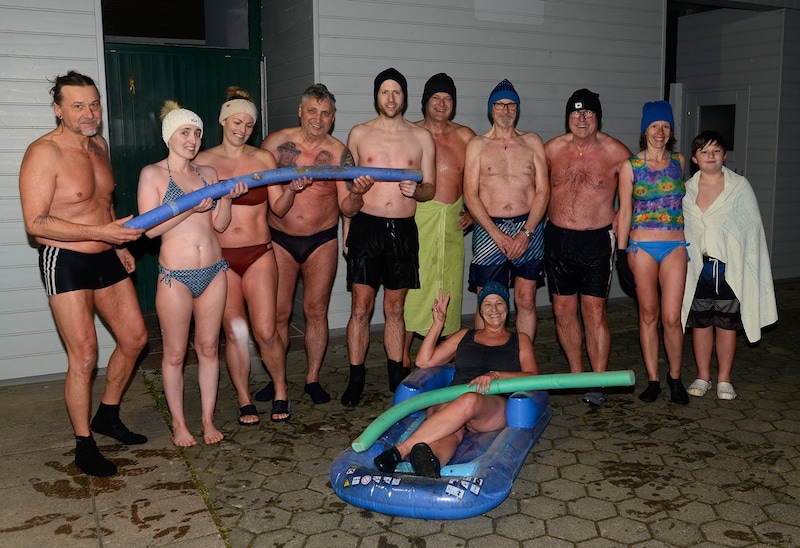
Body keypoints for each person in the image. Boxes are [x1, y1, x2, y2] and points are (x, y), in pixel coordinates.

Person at [19, 71, 148, 477]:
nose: (89, 113)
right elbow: (36, 223)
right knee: (85, 355)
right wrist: (101, 234)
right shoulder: (43, 153)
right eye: (78, 105)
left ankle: (107, 415)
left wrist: (119, 244)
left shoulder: (100, 145)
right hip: (66, 260)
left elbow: (103, 203)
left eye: (94, 104)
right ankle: (83, 444)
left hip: (106, 252)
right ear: (58, 110)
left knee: (135, 339)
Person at [137, 101, 246, 446]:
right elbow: (150, 230)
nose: (193, 139)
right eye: (185, 132)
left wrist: (226, 199)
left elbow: (220, 224)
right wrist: (189, 209)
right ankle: (180, 424)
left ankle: (207, 420)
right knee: (174, 354)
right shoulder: (152, 174)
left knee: (209, 347)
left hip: (214, 271)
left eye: (197, 132)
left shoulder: (208, 174)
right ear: (169, 136)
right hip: (175, 276)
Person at [341, 67, 437, 407]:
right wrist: (347, 231)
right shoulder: (358, 134)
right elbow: (347, 192)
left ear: (405, 97)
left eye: (397, 92)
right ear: (377, 96)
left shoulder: (421, 137)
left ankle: (397, 376)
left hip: (402, 230)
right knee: (360, 308)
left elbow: (430, 188)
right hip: (366, 227)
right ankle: (356, 378)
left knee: (395, 309)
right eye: (385, 92)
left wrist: (418, 189)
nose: (391, 98)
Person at [373, 282, 538, 478]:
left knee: (470, 399)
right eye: (487, 304)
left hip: (490, 405)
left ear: (507, 309)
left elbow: (532, 376)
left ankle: (401, 450)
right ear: (480, 310)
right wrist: (437, 324)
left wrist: (496, 375)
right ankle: (432, 463)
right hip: (453, 397)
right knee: (452, 430)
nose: (494, 309)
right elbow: (424, 360)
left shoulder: (520, 340)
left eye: (499, 303)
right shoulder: (464, 335)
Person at [195, 87, 290, 424]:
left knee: (265, 331)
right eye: (238, 122)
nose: (243, 129)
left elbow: (278, 208)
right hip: (221, 258)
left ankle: (280, 389)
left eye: (250, 125)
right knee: (235, 332)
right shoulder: (202, 161)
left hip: (259, 254)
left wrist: (291, 188)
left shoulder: (263, 158)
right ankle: (244, 398)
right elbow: (195, 217)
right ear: (223, 120)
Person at [260, 83, 355, 405]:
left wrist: (357, 194)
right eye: (312, 111)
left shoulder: (341, 152)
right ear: (301, 112)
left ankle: (313, 377)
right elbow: (257, 192)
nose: (318, 118)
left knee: (316, 311)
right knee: (278, 313)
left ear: (332, 117)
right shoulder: (275, 144)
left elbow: (347, 207)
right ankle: (278, 380)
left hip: (321, 240)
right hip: (280, 238)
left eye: (325, 113)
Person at [544, 89, 632, 406]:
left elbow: (642, 186)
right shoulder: (551, 150)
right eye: (576, 113)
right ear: (568, 117)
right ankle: (576, 373)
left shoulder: (616, 153)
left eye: (588, 113)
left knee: (594, 311)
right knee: (563, 311)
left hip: (596, 241)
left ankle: (597, 379)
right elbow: (528, 184)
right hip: (557, 240)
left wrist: (627, 219)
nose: (582, 119)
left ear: (597, 116)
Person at [681, 131, 777, 400]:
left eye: (716, 151)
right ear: (694, 158)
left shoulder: (739, 187)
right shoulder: (686, 190)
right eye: (704, 152)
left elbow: (751, 229)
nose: (710, 156)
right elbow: (684, 229)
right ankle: (703, 376)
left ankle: (724, 378)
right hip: (698, 271)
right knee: (700, 324)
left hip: (728, 270)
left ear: (724, 156)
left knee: (726, 324)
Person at [463, 79, 549, 343]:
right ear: (491, 109)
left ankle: (523, 358)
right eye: (499, 105)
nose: (505, 110)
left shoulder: (533, 141)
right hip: (490, 229)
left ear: (517, 109)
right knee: (487, 299)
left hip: (528, 226)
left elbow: (543, 190)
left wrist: (526, 232)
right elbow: (470, 193)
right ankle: (485, 359)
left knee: (525, 298)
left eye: (511, 105)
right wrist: (496, 234)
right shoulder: (477, 145)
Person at [617, 100, 689, 404]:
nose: (660, 131)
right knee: (648, 313)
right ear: (645, 129)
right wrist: (620, 254)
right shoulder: (630, 166)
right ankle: (653, 380)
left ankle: (675, 378)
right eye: (654, 125)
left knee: (672, 317)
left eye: (666, 126)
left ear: (671, 130)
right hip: (641, 247)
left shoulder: (680, 162)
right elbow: (624, 212)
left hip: (674, 245)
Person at [402, 73, 476, 370]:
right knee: (413, 285)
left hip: (452, 221)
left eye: (447, 98)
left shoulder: (466, 137)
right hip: (418, 215)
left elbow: (476, 179)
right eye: (436, 98)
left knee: (448, 285)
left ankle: (447, 353)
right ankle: (403, 357)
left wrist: (471, 210)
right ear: (425, 102)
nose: (441, 104)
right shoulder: (412, 133)